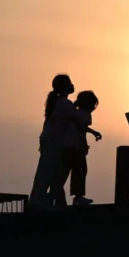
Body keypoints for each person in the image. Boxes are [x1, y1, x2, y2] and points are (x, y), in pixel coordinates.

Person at [29, 74, 90, 210]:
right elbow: (77, 123)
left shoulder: (57, 103)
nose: (72, 85)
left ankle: (54, 202)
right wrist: (92, 132)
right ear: (64, 87)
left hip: (51, 140)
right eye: (69, 83)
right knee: (47, 172)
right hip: (53, 142)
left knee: (54, 173)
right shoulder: (65, 104)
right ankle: (37, 201)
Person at [62, 90, 102, 206]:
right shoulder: (85, 114)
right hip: (76, 148)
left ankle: (53, 195)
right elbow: (81, 130)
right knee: (80, 171)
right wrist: (88, 139)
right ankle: (78, 197)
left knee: (64, 172)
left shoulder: (75, 113)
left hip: (67, 146)